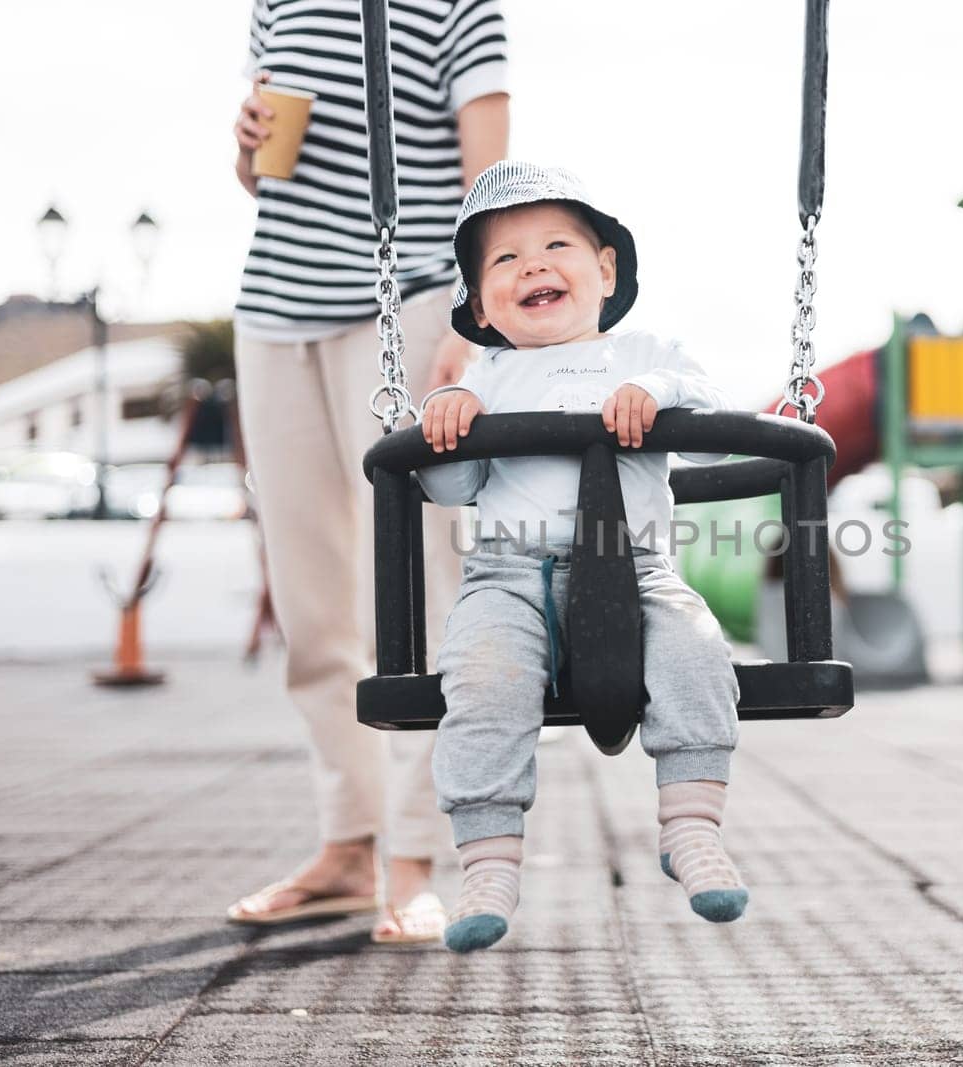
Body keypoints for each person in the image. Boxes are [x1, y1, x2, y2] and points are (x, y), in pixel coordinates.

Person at [224, 0, 509, 945]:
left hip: (408, 298)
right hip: (273, 306)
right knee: (309, 598)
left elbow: (491, 179)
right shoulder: (276, 3)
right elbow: (267, 178)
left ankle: (417, 857)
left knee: (410, 588)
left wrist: (473, 328)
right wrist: (245, 147)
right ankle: (347, 842)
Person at [414, 162, 748, 953]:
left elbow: (712, 414)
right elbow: (449, 483)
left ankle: (691, 824)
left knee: (697, 654)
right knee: (483, 679)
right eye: (504, 259)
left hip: (635, 565)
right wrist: (445, 415)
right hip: (510, 575)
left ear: (604, 270)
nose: (532, 264)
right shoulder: (485, 376)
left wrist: (659, 393)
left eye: (556, 244)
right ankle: (488, 856)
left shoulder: (645, 350)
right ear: (482, 305)